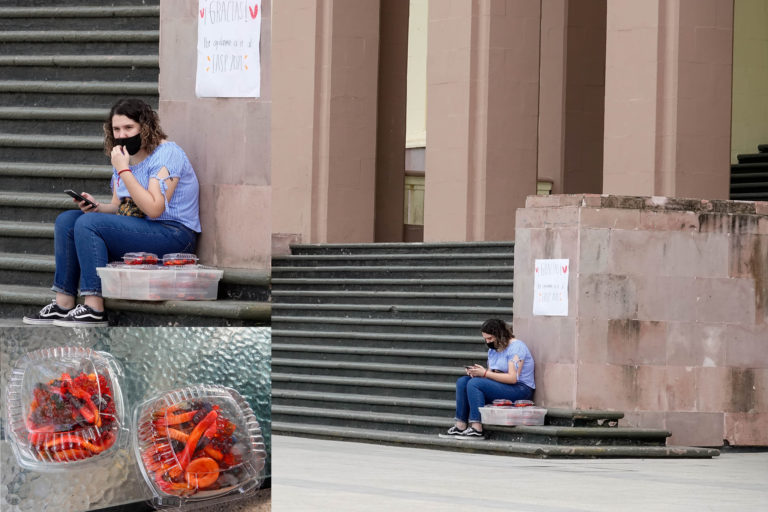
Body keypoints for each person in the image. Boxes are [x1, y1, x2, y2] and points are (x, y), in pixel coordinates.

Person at [23, 98, 200, 327]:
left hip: (175, 235)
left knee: (89, 224)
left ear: (145, 127)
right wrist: (96, 207)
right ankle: (63, 303)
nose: (122, 135)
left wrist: (124, 169)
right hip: (141, 229)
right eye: (116, 129)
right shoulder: (124, 157)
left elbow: (155, 209)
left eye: (129, 128)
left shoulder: (167, 154)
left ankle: (94, 307)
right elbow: (119, 206)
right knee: (68, 220)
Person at [440, 319, 535, 440]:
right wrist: (479, 372)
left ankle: (476, 427)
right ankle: (461, 425)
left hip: (521, 389)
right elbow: (492, 374)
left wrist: (484, 374)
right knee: (463, 382)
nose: (487, 342)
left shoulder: (516, 347)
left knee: (475, 384)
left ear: (500, 335)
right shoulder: (493, 350)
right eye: (485, 339)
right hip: (502, 386)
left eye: (490, 338)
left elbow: (512, 378)